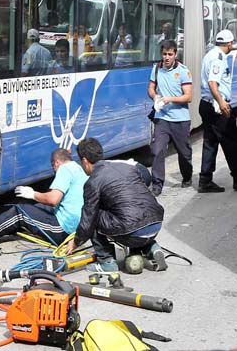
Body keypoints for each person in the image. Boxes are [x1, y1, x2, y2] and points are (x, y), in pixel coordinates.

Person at [66, 138, 165, 273]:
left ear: (84, 161)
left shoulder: (93, 182)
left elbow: (87, 221)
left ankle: (106, 262)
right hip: (156, 223)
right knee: (129, 214)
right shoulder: (127, 167)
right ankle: (151, 247)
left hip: (133, 232)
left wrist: (76, 241)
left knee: (94, 215)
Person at [0, 149, 86, 246]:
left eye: (53, 167)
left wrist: (32, 194)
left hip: (63, 231)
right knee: (37, 207)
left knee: (20, 212)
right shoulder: (78, 169)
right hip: (77, 230)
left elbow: (53, 200)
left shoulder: (64, 169)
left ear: (56, 162)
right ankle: (6, 225)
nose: (54, 170)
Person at [147, 39, 193, 195]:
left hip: (180, 119)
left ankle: (187, 176)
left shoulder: (183, 71)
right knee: (158, 150)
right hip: (162, 118)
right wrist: (155, 97)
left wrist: (169, 99)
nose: (166, 58)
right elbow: (151, 89)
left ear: (175, 54)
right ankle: (157, 184)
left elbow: (188, 97)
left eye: (169, 54)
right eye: (164, 54)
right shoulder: (156, 69)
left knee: (184, 153)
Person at [198, 29, 237, 193]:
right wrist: (222, 102)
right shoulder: (219, 59)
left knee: (210, 142)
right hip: (216, 106)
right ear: (228, 44)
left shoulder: (210, 54)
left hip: (206, 104)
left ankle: (205, 180)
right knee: (232, 142)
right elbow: (213, 83)